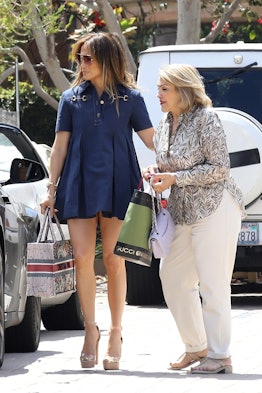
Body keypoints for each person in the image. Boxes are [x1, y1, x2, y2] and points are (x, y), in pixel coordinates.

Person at [40, 32, 154, 371]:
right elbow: (60, 146)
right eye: (80, 58)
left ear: (107, 59)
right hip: (78, 183)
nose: (81, 64)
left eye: (88, 58)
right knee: (82, 258)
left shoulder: (131, 99)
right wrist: (51, 188)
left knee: (116, 260)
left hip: (120, 184)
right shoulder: (70, 98)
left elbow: (152, 140)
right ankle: (91, 330)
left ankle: (116, 332)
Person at [142, 64, 245, 374]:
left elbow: (220, 169)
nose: (158, 94)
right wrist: (155, 172)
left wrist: (175, 177)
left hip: (217, 206)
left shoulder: (207, 119)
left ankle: (220, 354)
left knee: (213, 283)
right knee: (172, 277)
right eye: (159, 88)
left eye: (164, 89)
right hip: (183, 211)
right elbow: (166, 164)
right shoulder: (163, 123)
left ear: (182, 90)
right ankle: (197, 347)